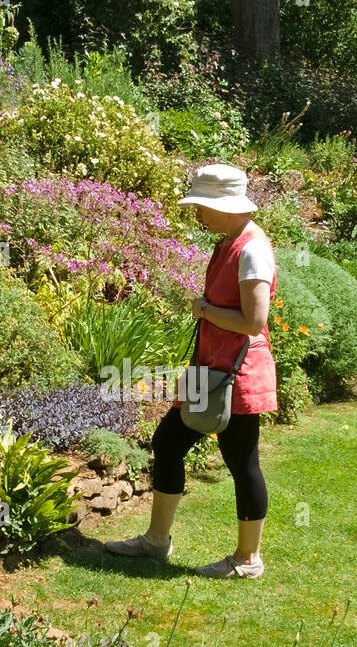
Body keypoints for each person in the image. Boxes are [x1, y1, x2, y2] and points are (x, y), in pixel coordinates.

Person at [105, 163, 277, 579]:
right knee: (168, 442)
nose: (196, 213)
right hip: (211, 369)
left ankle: (247, 560)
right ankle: (156, 542)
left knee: (241, 460)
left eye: (202, 205)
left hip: (236, 374)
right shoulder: (227, 242)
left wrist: (205, 310)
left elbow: (254, 322)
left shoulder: (252, 248)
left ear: (226, 205)